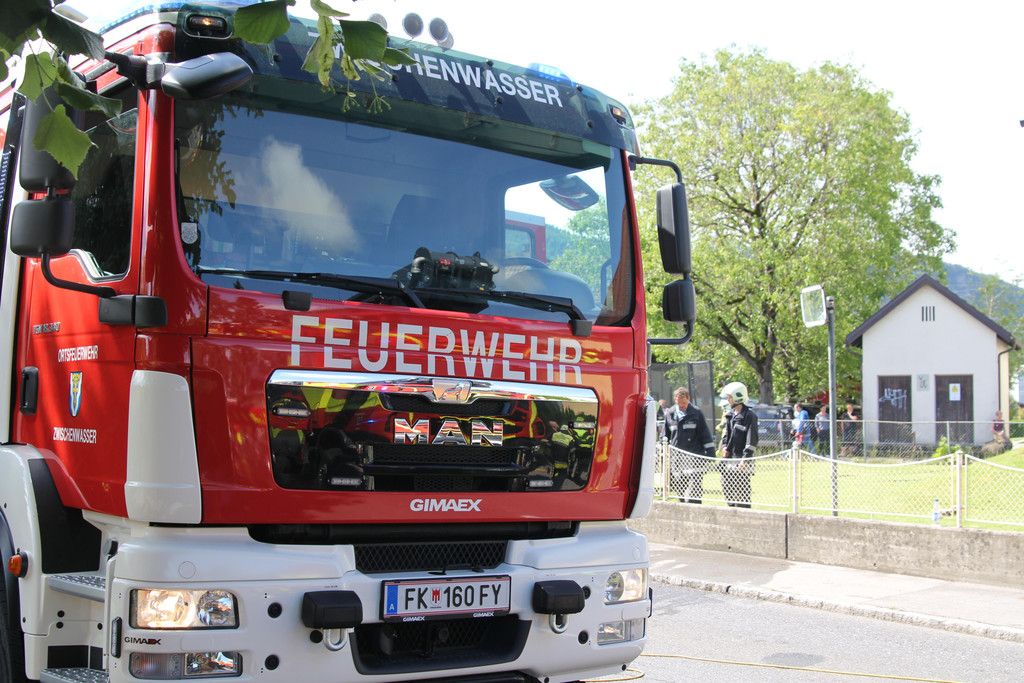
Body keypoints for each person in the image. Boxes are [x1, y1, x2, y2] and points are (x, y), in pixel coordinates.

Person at [666, 387, 715, 504]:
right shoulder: (670, 413)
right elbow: (665, 436)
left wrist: (710, 453)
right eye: (679, 403)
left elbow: (705, 434)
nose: (681, 406)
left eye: (683, 403)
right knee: (680, 490)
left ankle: (695, 509)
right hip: (677, 459)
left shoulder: (696, 413)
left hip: (694, 458)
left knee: (694, 491)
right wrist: (663, 454)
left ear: (688, 399)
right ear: (675, 400)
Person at [719, 381, 758, 508]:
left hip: (741, 459)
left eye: (730, 397)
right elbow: (727, 434)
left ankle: (744, 513)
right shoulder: (730, 415)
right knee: (726, 486)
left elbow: (752, 440)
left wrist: (745, 459)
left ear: (738, 397)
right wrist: (725, 446)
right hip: (730, 458)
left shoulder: (749, 416)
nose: (728, 400)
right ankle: (732, 511)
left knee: (742, 491)